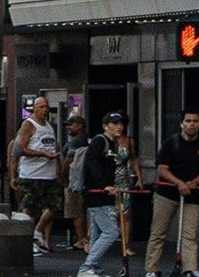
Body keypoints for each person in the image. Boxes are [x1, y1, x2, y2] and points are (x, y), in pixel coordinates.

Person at [144, 109, 199, 277]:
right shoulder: (170, 143)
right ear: (182, 124)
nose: (192, 124)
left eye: (195, 121)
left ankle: (189, 268)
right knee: (158, 233)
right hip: (166, 194)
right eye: (188, 121)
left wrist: (194, 182)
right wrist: (179, 183)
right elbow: (162, 168)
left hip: (192, 194)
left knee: (190, 234)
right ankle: (152, 269)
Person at [77, 112, 132, 277]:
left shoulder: (112, 143)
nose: (119, 127)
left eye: (121, 123)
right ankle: (87, 267)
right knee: (111, 232)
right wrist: (104, 185)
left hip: (105, 193)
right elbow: (91, 163)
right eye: (114, 123)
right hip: (97, 193)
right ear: (105, 125)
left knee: (98, 233)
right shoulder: (99, 141)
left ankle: (94, 269)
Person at [15, 95, 62, 256]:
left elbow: (54, 147)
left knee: (55, 206)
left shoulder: (49, 125)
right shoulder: (28, 125)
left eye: (46, 107)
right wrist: (42, 154)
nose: (44, 110)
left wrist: (58, 168)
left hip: (48, 175)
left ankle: (37, 231)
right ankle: (27, 241)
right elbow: (21, 148)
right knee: (29, 209)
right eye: (41, 107)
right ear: (34, 108)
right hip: (31, 174)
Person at [60, 115, 89, 252]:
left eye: (71, 125)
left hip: (73, 180)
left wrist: (61, 175)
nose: (68, 127)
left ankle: (80, 239)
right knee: (81, 210)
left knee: (75, 211)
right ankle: (83, 238)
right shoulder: (86, 139)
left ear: (80, 126)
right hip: (82, 180)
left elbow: (69, 160)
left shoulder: (75, 142)